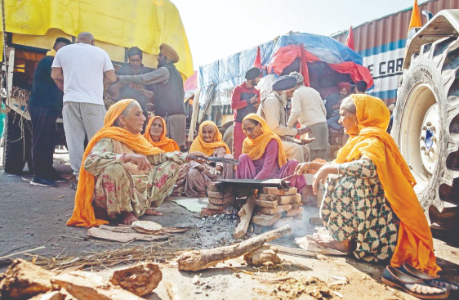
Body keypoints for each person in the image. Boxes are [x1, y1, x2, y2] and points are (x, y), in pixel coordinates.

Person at [295, 94, 447, 298]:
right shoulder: (360, 139)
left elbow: (367, 167)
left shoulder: (374, 140)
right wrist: (315, 166)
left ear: (359, 117)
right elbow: (345, 164)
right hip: (373, 215)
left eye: (343, 115)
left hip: (380, 227)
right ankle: (345, 238)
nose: (340, 121)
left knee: (344, 182)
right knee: (338, 175)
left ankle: (345, 242)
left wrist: (331, 170)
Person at [67, 99, 188, 227]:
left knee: (172, 164)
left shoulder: (136, 139)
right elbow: (90, 162)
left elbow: (159, 157)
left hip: (138, 191)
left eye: (142, 114)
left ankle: (142, 206)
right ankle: (123, 212)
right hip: (111, 197)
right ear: (123, 120)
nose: (143, 118)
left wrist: (188, 156)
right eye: (137, 114)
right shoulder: (108, 138)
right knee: (114, 169)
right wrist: (127, 157)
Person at [51, 32, 117, 189]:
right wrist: (98, 80)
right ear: (92, 42)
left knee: (74, 140)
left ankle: (79, 178)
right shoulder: (101, 53)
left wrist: (65, 88)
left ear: (77, 40)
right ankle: (97, 177)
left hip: (70, 100)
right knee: (97, 141)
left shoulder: (63, 51)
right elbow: (112, 78)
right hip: (93, 101)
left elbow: (55, 75)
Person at [117, 43, 186, 151]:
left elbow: (143, 79)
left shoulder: (165, 71)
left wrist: (119, 79)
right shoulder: (176, 73)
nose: (158, 58)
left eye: (160, 56)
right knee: (174, 150)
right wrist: (142, 90)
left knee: (171, 151)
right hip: (177, 116)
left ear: (166, 58)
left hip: (171, 117)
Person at [28, 37, 71, 187]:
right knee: (41, 140)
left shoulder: (52, 61)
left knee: (49, 140)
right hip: (42, 106)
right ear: (59, 50)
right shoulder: (49, 61)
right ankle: (38, 175)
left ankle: (48, 170)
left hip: (49, 107)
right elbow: (61, 79)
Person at [237, 114, 306, 195]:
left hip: (273, 179)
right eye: (245, 130)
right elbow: (244, 168)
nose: (248, 133)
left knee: (293, 163)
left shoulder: (271, 140)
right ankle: (244, 192)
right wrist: (252, 184)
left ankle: (293, 194)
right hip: (253, 177)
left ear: (259, 125)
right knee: (242, 158)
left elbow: (267, 168)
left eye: (250, 129)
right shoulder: (247, 143)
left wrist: (254, 185)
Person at [257, 75, 311, 163]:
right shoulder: (272, 100)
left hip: (274, 140)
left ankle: (302, 175)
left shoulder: (278, 101)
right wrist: (298, 132)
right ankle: (294, 176)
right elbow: (274, 129)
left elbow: (279, 134)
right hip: (266, 143)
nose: (292, 95)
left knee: (305, 150)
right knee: (296, 149)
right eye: (291, 92)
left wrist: (297, 141)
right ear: (284, 91)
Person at [185, 121, 234, 197]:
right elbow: (191, 161)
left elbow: (220, 165)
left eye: (210, 132)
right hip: (202, 175)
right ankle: (201, 192)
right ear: (200, 133)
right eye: (204, 132)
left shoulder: (220, 145)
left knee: (229, 158)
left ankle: (224, 190)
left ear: (214, 133)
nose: (207, 135)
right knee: (192, 172)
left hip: (216, 176)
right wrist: (200, 167)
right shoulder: (196, 144)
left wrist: (213, 170)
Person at [287, 72, 329, 160]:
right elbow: (323, 110)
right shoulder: (313, 91)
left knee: (309, 157)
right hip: (323, 125)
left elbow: (296, 112)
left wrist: (288, 125)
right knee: (322, 158)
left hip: (309, 127)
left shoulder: (296, 93)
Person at [109, 47, 154, 125]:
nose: (135, 63)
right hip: (123, 110)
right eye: (133, 60)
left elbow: (152, 96)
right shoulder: (122, 71)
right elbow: (112, 90)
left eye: (137, 60)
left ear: (141, 59)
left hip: (141, 111)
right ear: (128, 59)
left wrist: (141, 90)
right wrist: (123, 82)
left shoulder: (147, 73)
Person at [231, 67, 261, 159]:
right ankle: (237, 171)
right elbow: (234, 105)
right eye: (258, 77)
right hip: (240, 125)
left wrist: (257, 106)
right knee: (238, 150)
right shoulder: (238, 89)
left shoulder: (256, 91)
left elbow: (258, 106)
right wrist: (249, 101)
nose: (259, 80)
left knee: (252, 149)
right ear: (253, 78)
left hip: (252, 126)